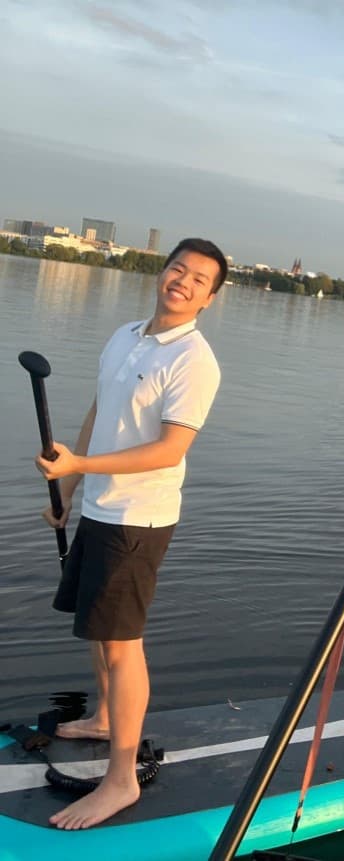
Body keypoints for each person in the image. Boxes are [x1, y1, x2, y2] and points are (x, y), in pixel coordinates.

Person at [34, 237, 227, 830]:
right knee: (98, 631)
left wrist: (79, 469)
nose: (183, 281)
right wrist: (69, 490)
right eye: (178, 269)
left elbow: (171, 449)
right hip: (98, 506)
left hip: (137, 520)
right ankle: (103, 719)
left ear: (210, 299)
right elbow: (100, 413)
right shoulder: (126, 335)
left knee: (123, 646)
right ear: (161, 271)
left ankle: (120, 782)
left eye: (198, 280)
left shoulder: (194, 360)